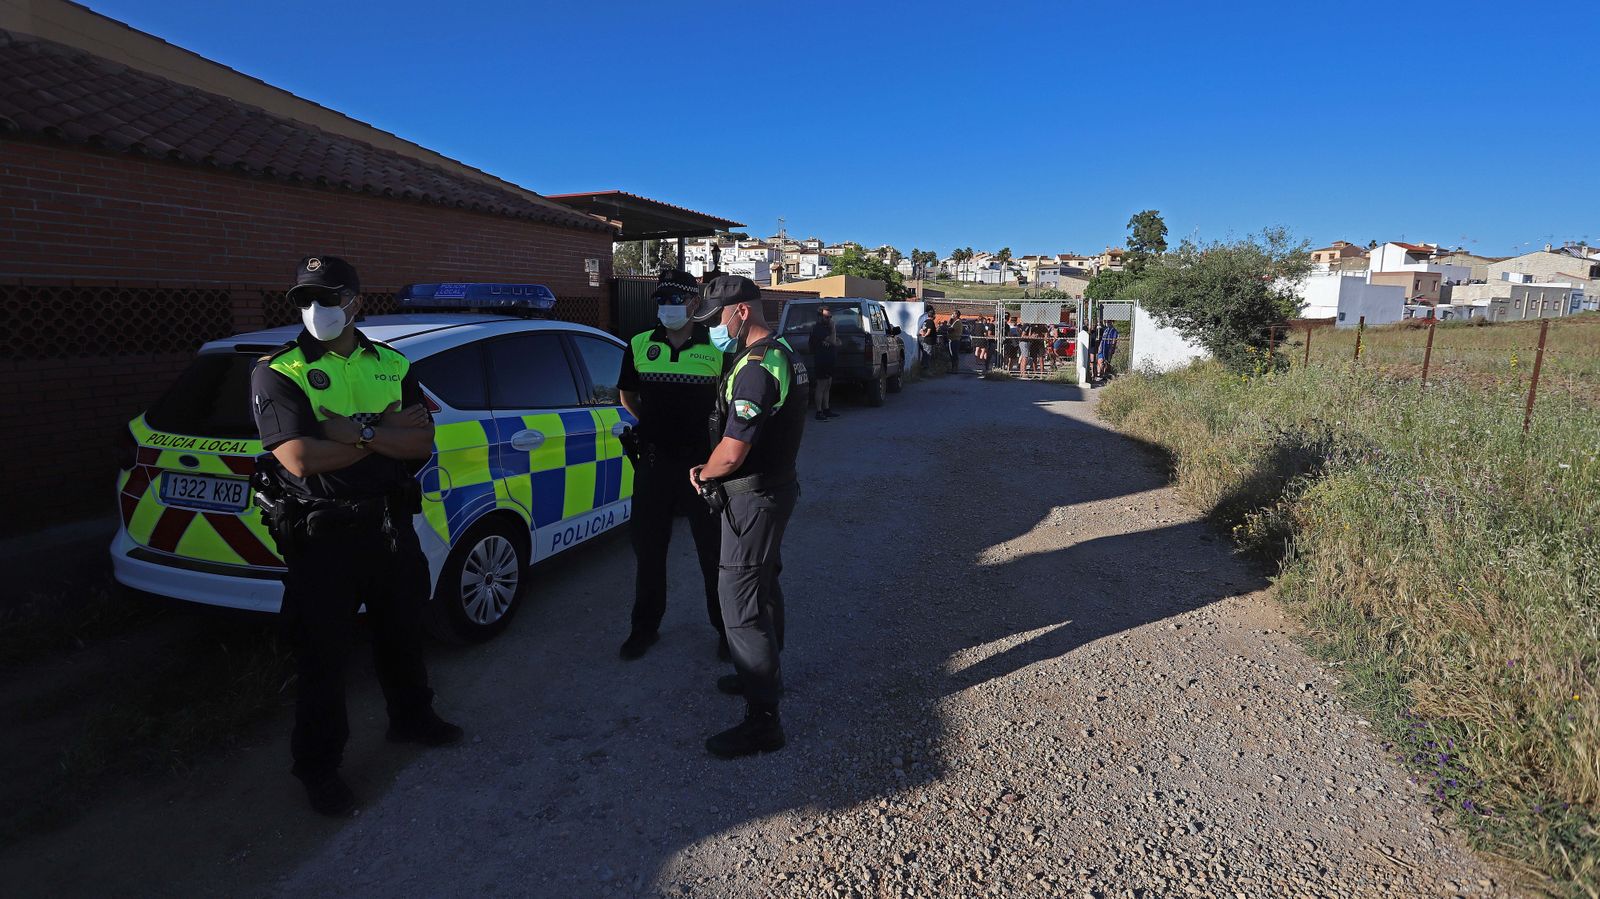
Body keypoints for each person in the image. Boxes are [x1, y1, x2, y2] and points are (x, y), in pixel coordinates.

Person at [250, 255, 461, 817]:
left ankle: (412, 719)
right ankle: (319, 768)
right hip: (323, 538)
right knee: (323, 658)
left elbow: (422, 445)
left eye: (329, 297)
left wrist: (354, 430)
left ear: (356, 302)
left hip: (389, 524)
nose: (316, 309)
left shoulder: (391, 363)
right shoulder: (278, 370)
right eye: (305, 299)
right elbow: (298, 456)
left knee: (403, 633)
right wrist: (384, 429)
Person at [689, 275, 808, 758]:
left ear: (739, 312)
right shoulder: (782, 352)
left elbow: (734, 450)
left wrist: (703, 470)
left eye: (716, 318)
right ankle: (762, 677)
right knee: (765, 584)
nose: (712, 330)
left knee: (738, 604)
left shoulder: (757, 366)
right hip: (775, 488)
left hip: (752, 495)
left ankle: (763, 721)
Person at [615, 269, 727, 662]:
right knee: (649, 551)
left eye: (674, 301)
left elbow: (725, 405)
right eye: (661, 301)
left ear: (694, 304)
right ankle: (644, 629)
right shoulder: (640, 344)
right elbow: (628, 394)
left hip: (703, 468)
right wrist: (653, 425)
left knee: (713, 553)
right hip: (654, 462)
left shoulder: (715, 349)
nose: (666, 308)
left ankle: (726, 632)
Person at [808, 305, 840, 421]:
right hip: (821, 360)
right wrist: (833, 329)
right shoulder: (818, 328)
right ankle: (819, 411)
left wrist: (832, 340)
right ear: (820, 317)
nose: (829, 319)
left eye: (830, 317)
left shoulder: (827, 328)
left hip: (830, 360)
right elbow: (833, 340)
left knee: (828, 385)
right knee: (821, 385)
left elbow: (838, 342)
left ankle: (826, 409)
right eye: (827, 317)